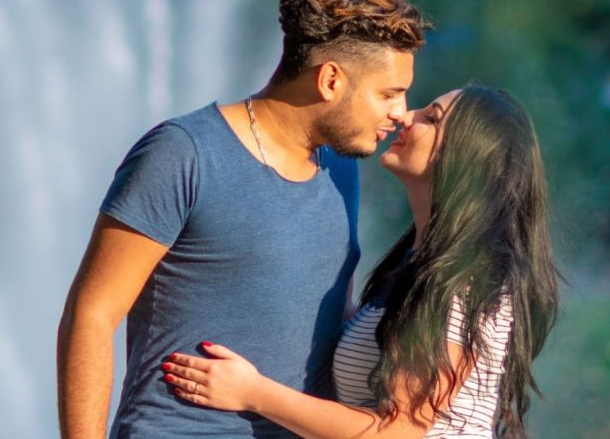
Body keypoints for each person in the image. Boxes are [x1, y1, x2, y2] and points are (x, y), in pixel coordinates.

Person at [57, 0, 428, 438]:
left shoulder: (340, 167)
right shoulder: (183, 153)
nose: (401, 112)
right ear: (331, 79)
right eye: (389, 93)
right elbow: (91, 313)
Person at [161, 84, 562, 438]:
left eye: (431, 118)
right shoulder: (418, 264)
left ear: (467, 158)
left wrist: (253, 393)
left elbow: (398, 432)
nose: (407, 116)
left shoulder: (467, 279)